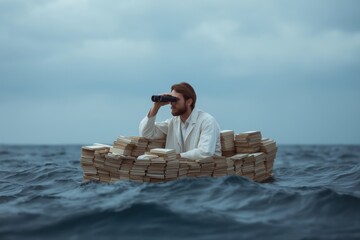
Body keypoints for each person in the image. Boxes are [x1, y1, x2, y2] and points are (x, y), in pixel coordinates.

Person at [139, 82, 222, 160]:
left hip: (206, 173)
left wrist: (177, 156)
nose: (172, 103)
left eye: (176, 100)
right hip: (181, 173)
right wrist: (156, 106)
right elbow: (146, 133)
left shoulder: (207, 121)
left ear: (189, 102)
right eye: (171, 99)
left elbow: (205, 153)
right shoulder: (172, 123)